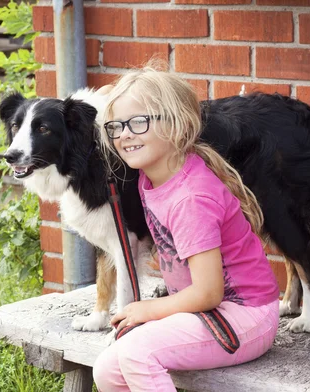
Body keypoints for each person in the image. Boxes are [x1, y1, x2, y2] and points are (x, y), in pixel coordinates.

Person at [92, 66, 280, 391]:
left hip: (244, 317)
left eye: (139, 122)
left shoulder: (190, 198)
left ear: (176, 124)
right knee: (108, 369)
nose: (124, 134)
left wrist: (150, 310)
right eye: (116, 126)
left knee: (137, 352)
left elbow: (208, 292)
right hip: (205, 311)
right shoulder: (150, 177)